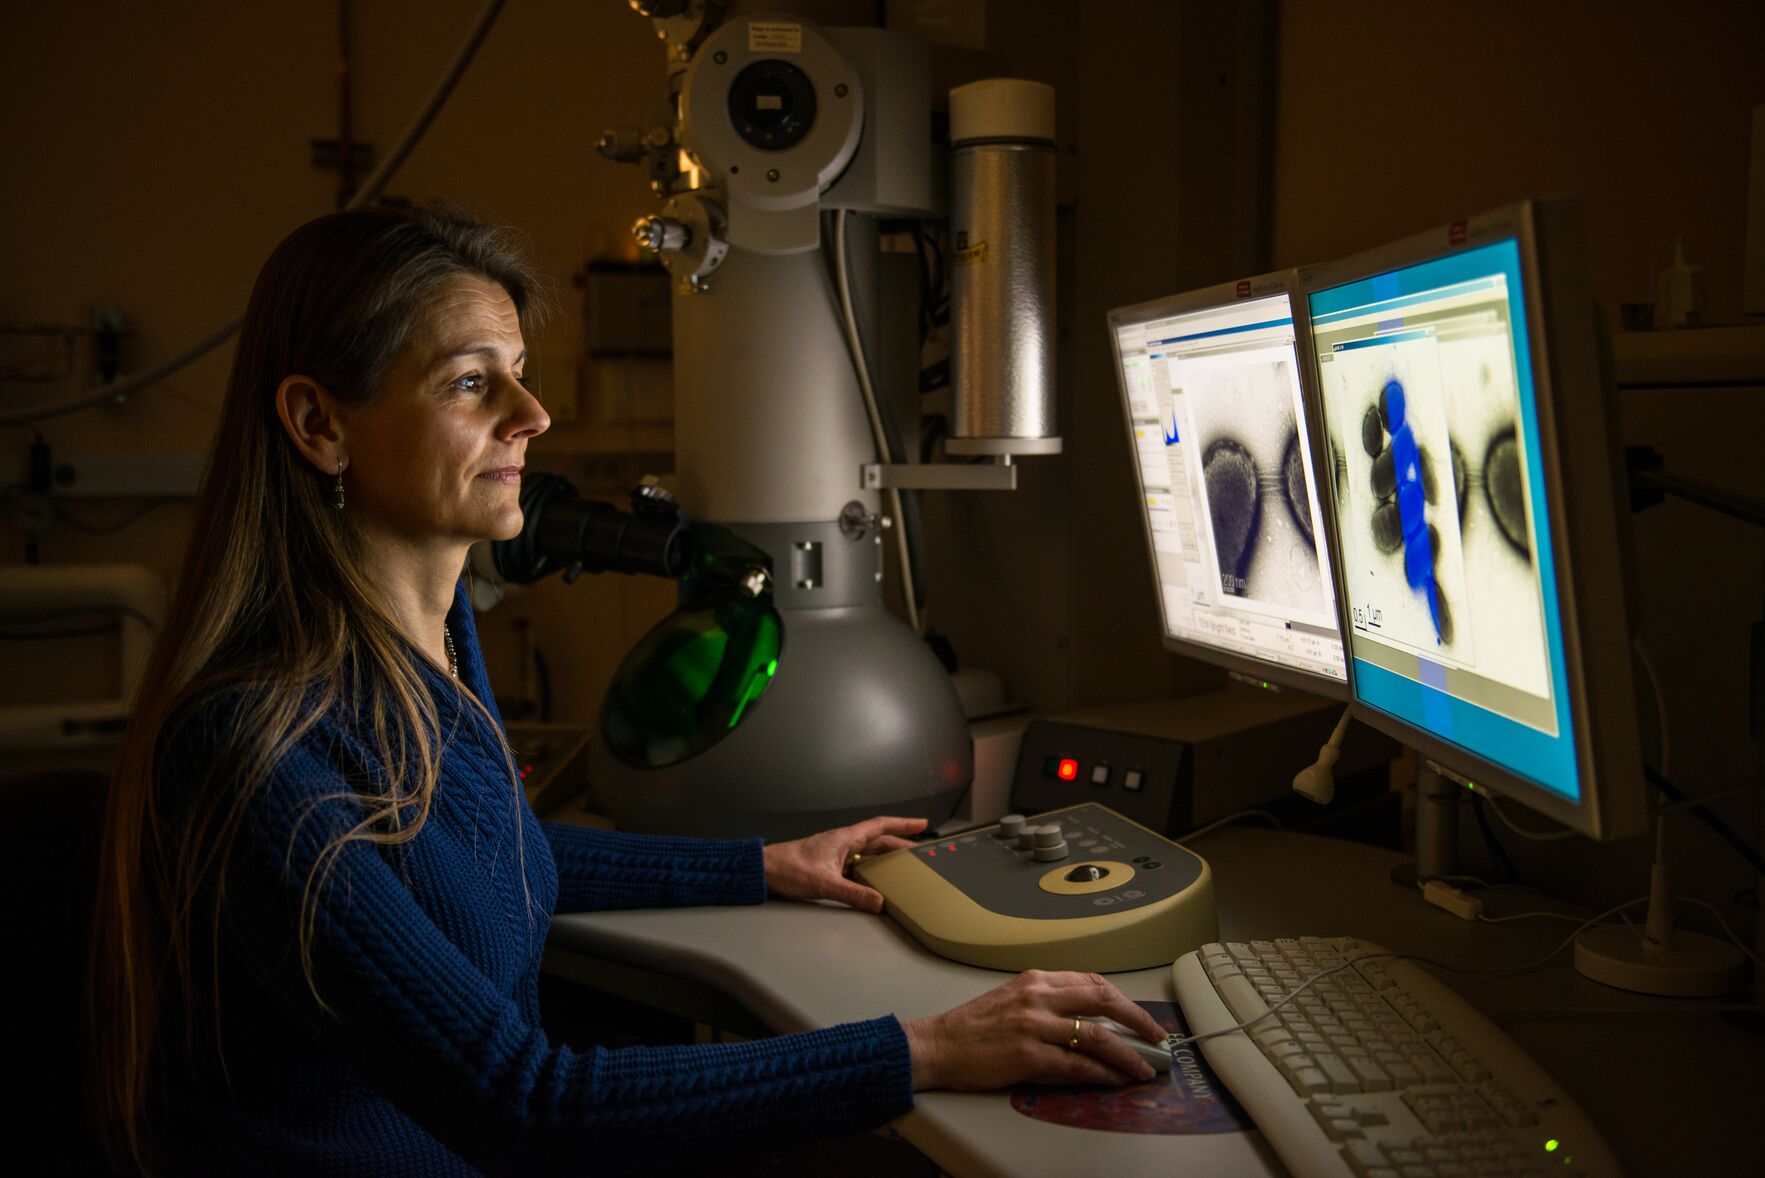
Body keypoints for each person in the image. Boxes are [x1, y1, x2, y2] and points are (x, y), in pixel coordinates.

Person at [89, 203, 1168, 1175]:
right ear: (320, 424)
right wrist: (925, 1046)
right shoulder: (252, 737)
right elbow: (524, 1101)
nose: (532, 414)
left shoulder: (432, 645)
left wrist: (760, 865)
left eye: (519, 369)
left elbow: (477, 849)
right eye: (472, 382)